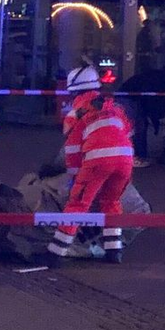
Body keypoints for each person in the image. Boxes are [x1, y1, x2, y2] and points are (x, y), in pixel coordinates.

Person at [47, 61, 134, 267]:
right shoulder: (114, 107)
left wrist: (74, 180)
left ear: (73, 92)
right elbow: (128, 133)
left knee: (77, 204)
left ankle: (55, 254)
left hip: (97, 160)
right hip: (125, 159)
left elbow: (73, 152)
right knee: (111, 202)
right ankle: (114, 251)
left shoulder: (76, 114)